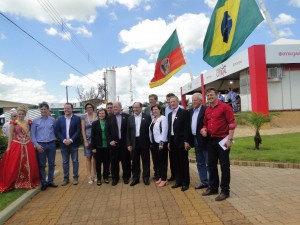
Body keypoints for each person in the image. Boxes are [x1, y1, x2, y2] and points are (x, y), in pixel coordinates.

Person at [200, 88, 236, 201]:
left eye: (211, 95)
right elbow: (205, 124)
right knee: (211, 165)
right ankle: (213, 188)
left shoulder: (225, 107)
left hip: (224, 140)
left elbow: (232, 123)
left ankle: (225, 191)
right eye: (208, 96)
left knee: (224, 166)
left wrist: (230, 139)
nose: (209, 97)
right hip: (211, 140)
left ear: (217, 95)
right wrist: (204, 129)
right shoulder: (207, 110)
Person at [0, 105, 40, 192]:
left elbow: (30, 133)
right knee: (15, 164)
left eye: (22, 114)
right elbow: (10, 136)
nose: (21, 115)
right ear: (17, 114)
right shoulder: (13, 123)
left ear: (25, 114)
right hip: (17, 144)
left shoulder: (28, 122)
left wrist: (33, 143)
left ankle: (29, 180)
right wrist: (8, 147)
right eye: (19, 114)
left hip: (28, 144)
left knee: (30, 163)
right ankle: (15, 181)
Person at [31, 102, 57, 191]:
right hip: (40, 145)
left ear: (48, 110)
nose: (43, 111)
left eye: (45, 109)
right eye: (41, 109)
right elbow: (32, 135)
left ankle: (50, 181)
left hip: (51, 144)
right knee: (42, 165)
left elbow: (56, 131)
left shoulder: (52, 120)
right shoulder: (35, 121)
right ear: (40, 110)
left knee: (51, 164)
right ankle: (43, 182)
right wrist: (37, 145)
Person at [185, 93, 209, 190]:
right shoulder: (191, 111)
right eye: (192, 100)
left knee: (208, 162)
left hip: (204, 140)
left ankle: (212, 184)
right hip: (195, 139)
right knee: (200, 162)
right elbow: (188, 127)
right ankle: (204, 182)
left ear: (201, 101)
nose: (193, 102)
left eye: (195, 100)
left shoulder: (206, 110)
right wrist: (187, 141)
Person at [105, 101, 130, 186]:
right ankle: (115, 178)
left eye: (116, 107)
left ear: (120, 107)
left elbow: (129, 131)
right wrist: (110, 141)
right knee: (114, 162)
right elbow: (106, 131)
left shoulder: (127, 117)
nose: (114, 108)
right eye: (113, 107)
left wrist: (128, 143)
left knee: (125, 162)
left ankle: (126, 177)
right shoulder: (109, 118)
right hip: (113, 144)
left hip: (124, 144)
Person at [56, 103, 81, 186]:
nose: (66, 110)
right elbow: (57, 131)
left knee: (75, 161)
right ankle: (66, 178)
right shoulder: (59, 119)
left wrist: (71, 140)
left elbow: (78, 131)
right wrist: (63, 140)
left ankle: (75, 177)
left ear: (72, 109)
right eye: (65, 108)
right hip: (63, 145)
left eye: (68, 108)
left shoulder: (77, 119)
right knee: (65, 162)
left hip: (73, 144)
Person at [168, 96, 190, 192]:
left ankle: (185, 182)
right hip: (172, 141)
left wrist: (186, 141)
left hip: (181, 141)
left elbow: (187, 128)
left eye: (173, 101)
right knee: (175, 162)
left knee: (183, 162)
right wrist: (169, 141)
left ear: (178, 102)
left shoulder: (184, 112)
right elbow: (170, 130)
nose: (172, 103)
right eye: (170, 102)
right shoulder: (169, 114)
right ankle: (178, 181)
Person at [126, 102, 151, 186]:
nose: (135, 109)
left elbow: (150, 131)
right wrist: (129, 144)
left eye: (137, 107)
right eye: (134, 108)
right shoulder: (130, 118)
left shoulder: (147, 117)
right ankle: (135, 178)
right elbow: (128, 133)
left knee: (146, 161)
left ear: (141, 108)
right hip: (134, 142)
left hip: (144, 142)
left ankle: (146, 177)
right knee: (135, 161)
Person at [149, 104, 168, 187]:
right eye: (153, 110)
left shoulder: (163, 118)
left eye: (156, 109)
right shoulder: (153, 119)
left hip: (160, 143)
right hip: (153, 143)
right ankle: (160, 177)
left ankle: (164, 179)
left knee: (162, 162)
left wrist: (161, 142)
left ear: (160, 110)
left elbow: (164, 131)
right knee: (157, 162)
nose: (154, 111)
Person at [90, 108, 109, 185]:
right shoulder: (95, 123)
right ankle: (99, 178)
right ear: (98, 114)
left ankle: (105, 177)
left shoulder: (108, 122)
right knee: (98, 163)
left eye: (103, 113)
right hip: (98, 147)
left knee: (106, 163)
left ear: (105, 114)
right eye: (100, 113)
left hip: (107, 146)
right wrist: (93, 147)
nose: (101, 115)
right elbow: (92, 136)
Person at [144, 94, 160, 180]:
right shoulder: (146, 109)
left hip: (158, 136)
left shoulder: (160, 108)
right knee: (153, 156)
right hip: (149, 137)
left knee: (159, 156)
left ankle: (161, 173)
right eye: (149, 99)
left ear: (156, 100)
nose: (150, 101)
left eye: (152, 99)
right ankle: (156, 173)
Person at [81, 103, 97, 184]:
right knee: (88, 158)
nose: (89, 108)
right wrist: (85, 141)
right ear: (85, 109)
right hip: (87, 140)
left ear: (93, 108)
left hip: (96, 140)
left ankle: (95, 175)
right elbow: (83, 130)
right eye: (87, 107)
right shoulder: (83, 117)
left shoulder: (97, 115)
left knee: (95, 158)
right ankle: (89, 176)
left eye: (90, 107)